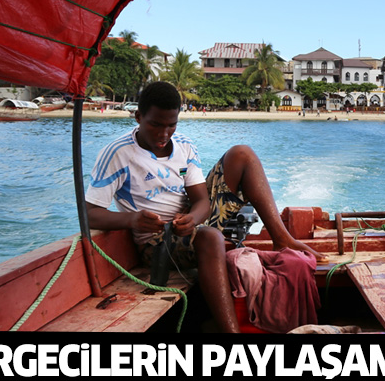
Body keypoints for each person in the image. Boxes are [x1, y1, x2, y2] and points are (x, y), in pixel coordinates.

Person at [85, 82, 323, 333]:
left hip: (191, 225)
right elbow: (90, 214)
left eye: (171, 125)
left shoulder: (184, 146)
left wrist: (193, 218)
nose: (164, 134)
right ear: (138, 117)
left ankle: (282, 239)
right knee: (210, 237)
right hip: (156, 242)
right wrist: (133, 220)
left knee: (242, 154)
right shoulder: (118, 154)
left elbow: (201, 201)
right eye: (155, 125)